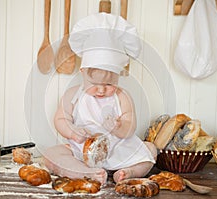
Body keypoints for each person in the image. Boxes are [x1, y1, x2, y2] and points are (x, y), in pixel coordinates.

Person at [43, 13, 157, 185]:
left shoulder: (122, 97)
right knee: (51, 156)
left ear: (119, 76)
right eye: (94, 83)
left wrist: (119, 127)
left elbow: (130, 127)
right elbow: (60, 119)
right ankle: (85, 172)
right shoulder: (73, 95)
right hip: (81, 151)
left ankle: (128, 172)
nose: (102, 89)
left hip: (118, 149)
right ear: (82, 73)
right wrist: (73, 132)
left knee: (150, 150)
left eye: (110, 83)